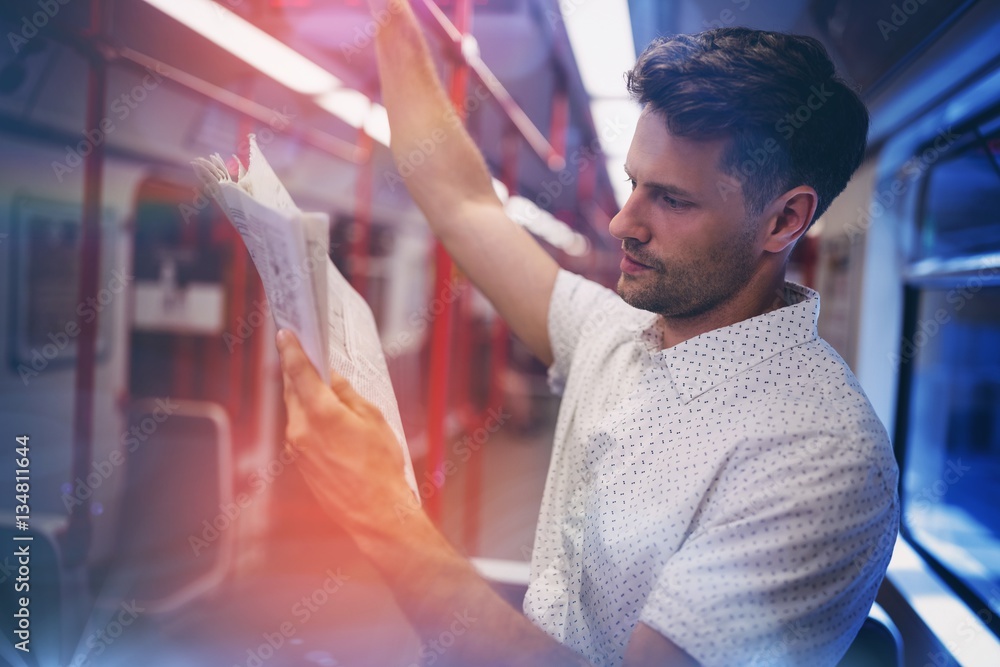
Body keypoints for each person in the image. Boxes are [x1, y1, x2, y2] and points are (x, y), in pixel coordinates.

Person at [276, 0, 900, 665]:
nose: (621, 223)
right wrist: (397, 26)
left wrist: (383, 516)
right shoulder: (616, 332)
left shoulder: (824, 462)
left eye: (672, 198)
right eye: (634, 184)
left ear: (783, 221)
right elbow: (464, 205)